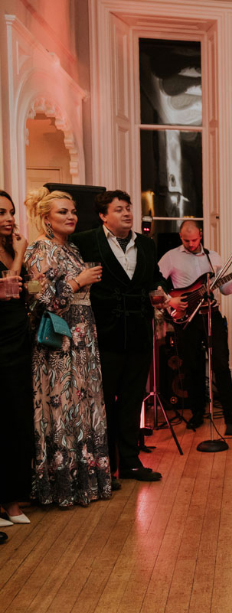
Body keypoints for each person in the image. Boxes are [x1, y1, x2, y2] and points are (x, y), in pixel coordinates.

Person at [71, 190, 170, 483]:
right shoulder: (85, 241)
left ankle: (129, 462)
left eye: (128, 208)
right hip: (103, 333)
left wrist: (160, 291)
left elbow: (154, 277)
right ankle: (105, 466)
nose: (127, 213)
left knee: (131, 401)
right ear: (103, 215)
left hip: (139, 331)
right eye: (119, 209)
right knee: (102, 402)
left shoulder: (147, 244)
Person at [24, 187, 112, 507]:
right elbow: (39, 298)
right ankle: (61, 485)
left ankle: (86, 480)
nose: (71, 216)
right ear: (46, 218)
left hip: (84, 339)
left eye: (73, 211)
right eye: (63, 212)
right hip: (58, 344)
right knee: (62, 408)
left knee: (85, 406)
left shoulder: (73, 250)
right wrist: (79, 281)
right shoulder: (38, 250)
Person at [158, 220, 232, 428]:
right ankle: (197, 413)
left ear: (200, 235)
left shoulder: (213, 257)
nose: (191, 244)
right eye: (186, 240)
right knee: (192, 366)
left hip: (212, 314)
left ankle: (230, 412)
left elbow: (223, 289)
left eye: (194, 240)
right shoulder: (171, 257)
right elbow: (156, 282)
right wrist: (170, 300)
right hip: (186, 318)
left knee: (221, 364)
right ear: (180, 237)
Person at [0, 190, 33, 526]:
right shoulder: (15, 252)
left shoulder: (10, 247)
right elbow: (8, 284)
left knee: (18, 421)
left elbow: (18, 291)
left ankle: (12, 501)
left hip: (18, 340)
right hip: (0, 344)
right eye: (0, 213)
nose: (9, 218)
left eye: (10, 212)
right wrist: (21, 254)